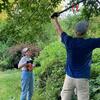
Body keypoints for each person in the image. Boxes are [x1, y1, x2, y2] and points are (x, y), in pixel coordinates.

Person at [51, 12, 100, 100]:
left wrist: (55, 19)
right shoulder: (90, 43)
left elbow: (59, 30)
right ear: (85, 32)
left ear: (75, 31)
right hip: (82, 78)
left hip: (69, 77)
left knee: (65, 98)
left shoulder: (69, 41)